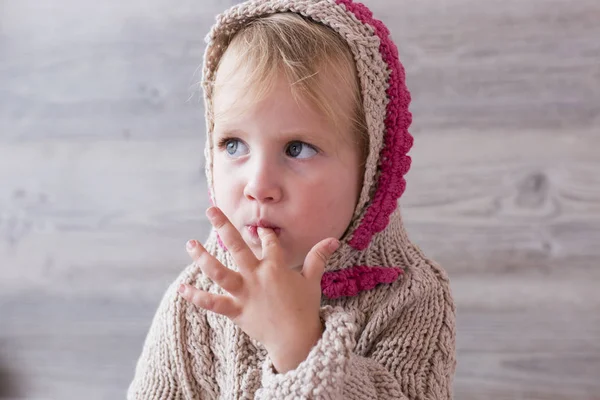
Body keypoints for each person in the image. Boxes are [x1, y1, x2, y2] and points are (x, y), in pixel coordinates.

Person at [128, 0, 456, 398]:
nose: (258, 184)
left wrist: (298, 347)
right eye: (233, 145)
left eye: (297, 148)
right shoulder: (196, 301)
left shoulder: (413, 297)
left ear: (371, 169)